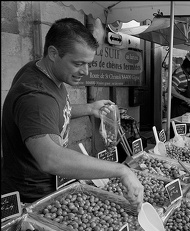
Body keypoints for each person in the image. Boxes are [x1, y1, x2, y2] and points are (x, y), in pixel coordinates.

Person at [1, 18, 143, 206]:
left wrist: (90, 108)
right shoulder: (35, 96)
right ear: (53, 53)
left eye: (88, 63)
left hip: (51, 184)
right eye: (78, 63)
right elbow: (50, 159)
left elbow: (50, 115)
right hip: (34, 196)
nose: (85, 71)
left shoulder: (42, 71)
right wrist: (121, 170)